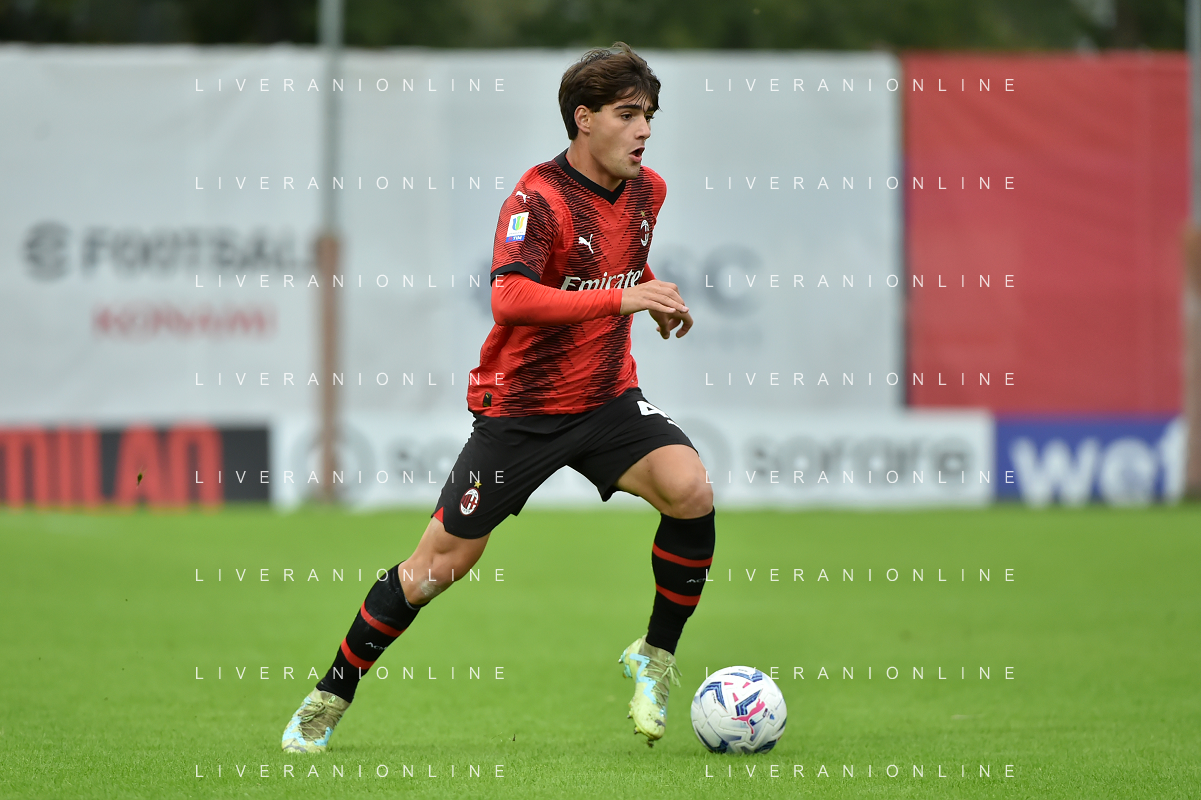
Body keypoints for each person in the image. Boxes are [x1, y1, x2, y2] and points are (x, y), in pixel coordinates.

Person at [282, 41, 715, 753]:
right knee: (435, 570)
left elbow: (611, 272)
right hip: (521, 412)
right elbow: (510, 297)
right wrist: (623, 299)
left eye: (649, 116)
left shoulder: (648, 191)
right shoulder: (537, 199)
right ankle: (331, 693)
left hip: (607, 398)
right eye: (627, 114)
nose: (644, 130)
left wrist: (650, 294)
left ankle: (654, 656)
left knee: (690, 489)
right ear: (583, 119)